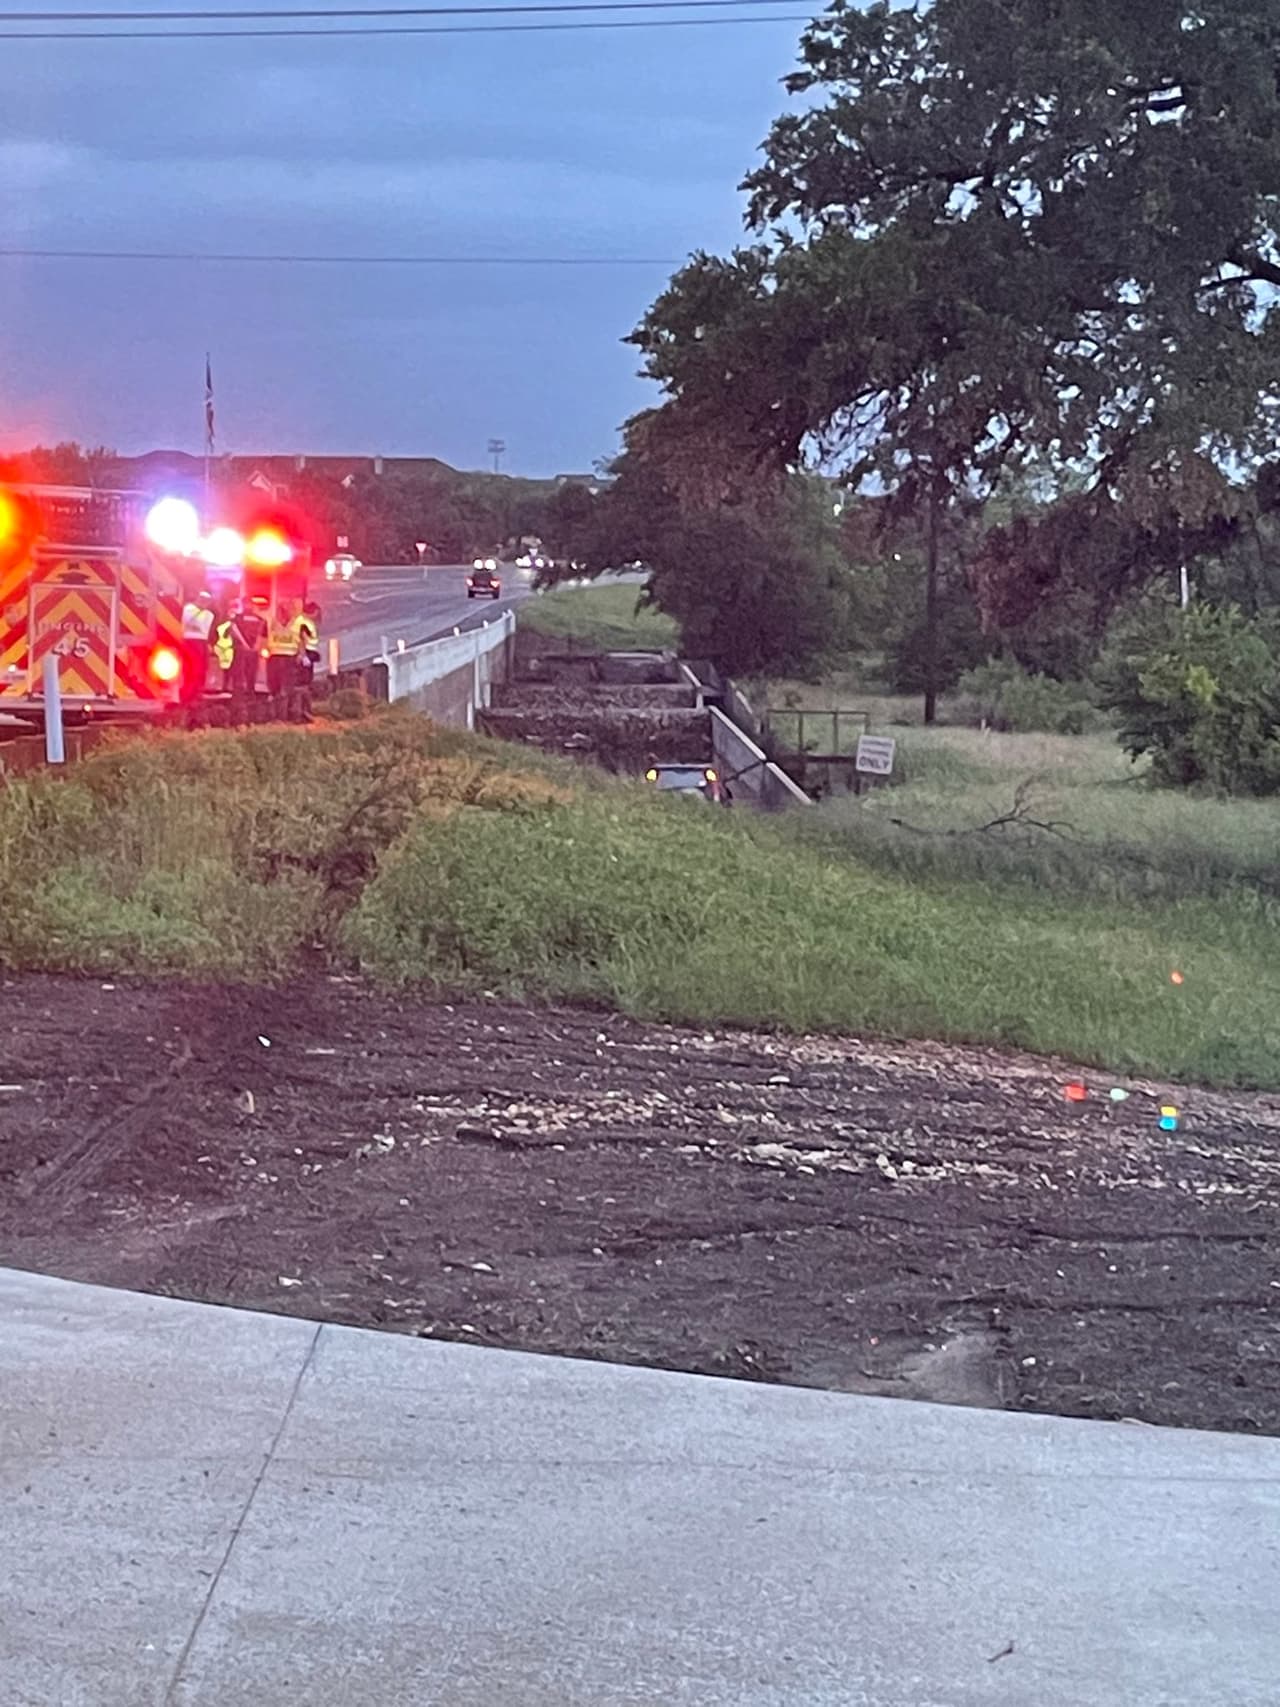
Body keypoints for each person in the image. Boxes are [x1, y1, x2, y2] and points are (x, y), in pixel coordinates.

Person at [180, 590, 215, 706]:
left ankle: (198, 693)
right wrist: (200, 610)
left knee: (202, 668)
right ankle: (187, 694)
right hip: (190, 640)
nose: (204, 603)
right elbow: (191, 621)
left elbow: (205, 628)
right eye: (202, 600)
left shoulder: (209, 614)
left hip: (202, 641)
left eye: (207, 602)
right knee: (191, 668)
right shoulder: (189, 609)